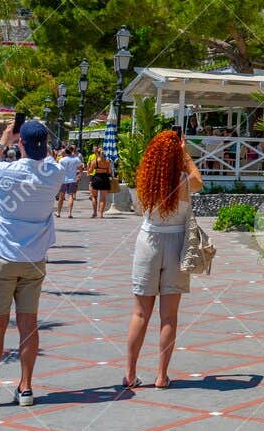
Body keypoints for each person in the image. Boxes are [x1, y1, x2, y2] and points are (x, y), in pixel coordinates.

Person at [0, 119, 65, 409]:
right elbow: (49, 159)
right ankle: (26, 388)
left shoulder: (6, 173)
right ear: (46, 145)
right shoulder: (55, 174)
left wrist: (4, 143)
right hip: (35, 259)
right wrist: (32, 144)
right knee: (29, 324)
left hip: (2, 256)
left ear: (21, 144)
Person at [125, 130, 204, 389]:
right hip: (176, 245)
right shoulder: (183, 181)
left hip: (148, 242)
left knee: (139, 313)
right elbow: (199, 181)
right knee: (169, 316)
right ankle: (161, 375)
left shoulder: (148, 179)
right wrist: (185, 154)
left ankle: (130, 374)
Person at [55, 143, 83, 218]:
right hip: (72, 179)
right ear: (72, 151)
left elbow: (58, 170)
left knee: (61, 196)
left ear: (65, 152)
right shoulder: (76, 159)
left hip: (63, 180)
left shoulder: (61, 160)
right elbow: (81, 168)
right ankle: (69, 213)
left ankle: (58, 213)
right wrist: (79, 175)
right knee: (70, 195)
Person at [86, 148, 114, 217]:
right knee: (103, 198)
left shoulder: (94, 161)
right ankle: (101, 214)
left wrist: (88, 169)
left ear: (98, 153)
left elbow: (90, 171)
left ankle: (95, 212)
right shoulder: (107, 161)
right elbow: (109, 171)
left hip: (96, 178)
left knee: (94, 197)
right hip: (104, 178)